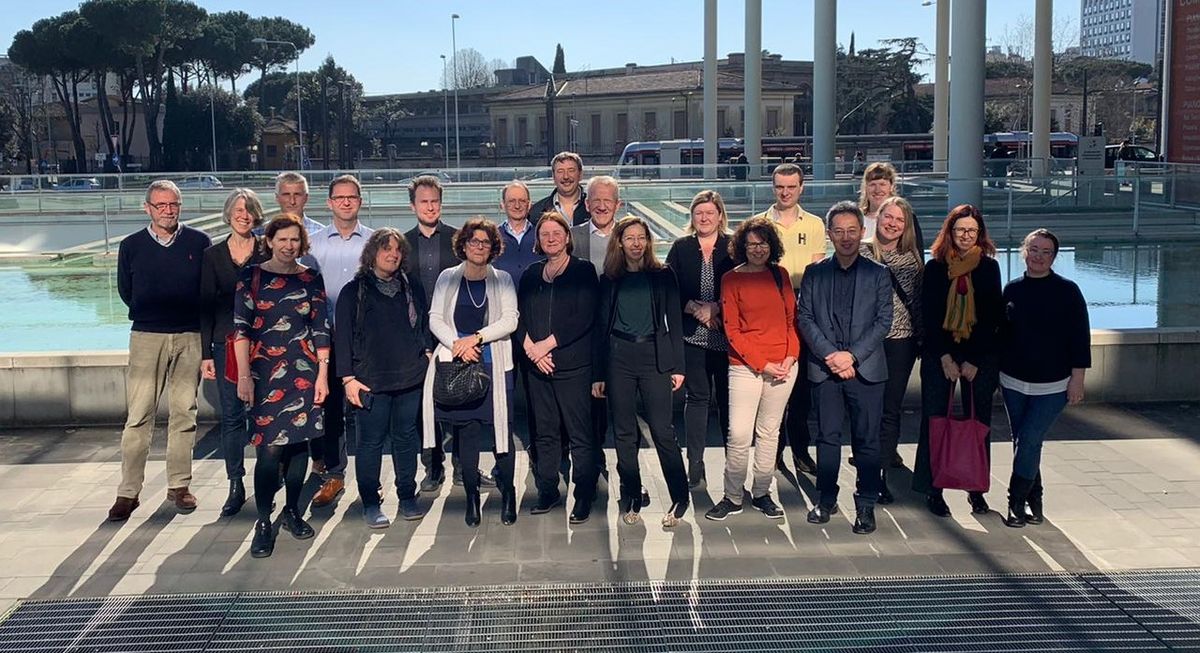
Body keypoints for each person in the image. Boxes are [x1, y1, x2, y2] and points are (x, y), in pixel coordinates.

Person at [108, 180, 212, 522]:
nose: (168, 211)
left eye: (173, 204)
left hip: (189, 336)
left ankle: (179, 486)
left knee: (184, 413)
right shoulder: (131, 246)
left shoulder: (199, 242)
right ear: (147, 208)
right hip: (147, 336)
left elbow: (206, 290)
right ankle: (128, 492)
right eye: (160, 205)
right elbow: (126, 290)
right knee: (139, 416)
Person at [233, 214, 331, 558]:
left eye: (294, 239)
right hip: (264, 374)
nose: (289, 246)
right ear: (270, 241)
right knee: (270, 450)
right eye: (282, 239)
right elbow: (241, 329)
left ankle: (291, 510)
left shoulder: (310, 278)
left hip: (304, 372)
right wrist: (244, 376)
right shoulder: (251, 276)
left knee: (299, 446)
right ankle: (263, 521)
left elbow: (320, 329)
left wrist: (322, 374)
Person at [797, 201, 893, 535]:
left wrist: (851, 356)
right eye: (839, 231)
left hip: (865, 370)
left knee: (867, 441)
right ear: (829, 234)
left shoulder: (878, 273)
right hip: (825, 370)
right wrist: (831, 356)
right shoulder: (815, 272)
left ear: (862, 232)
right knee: (827, 438)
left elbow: (883, 321)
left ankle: (866, 504)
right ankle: (826, 498)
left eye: (852, 230)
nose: (846, 237)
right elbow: (805, 318)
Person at [423, 218, 520, 528]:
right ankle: (472, 498)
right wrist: (458, 345)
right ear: (463, 245)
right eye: (473, 241)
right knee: (467, 434)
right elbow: (435, 318)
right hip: (458, 364)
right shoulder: (447, 277)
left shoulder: (502, 279)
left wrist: (475, 339)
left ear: (493, 248)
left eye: (485, 242)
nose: (479, 247)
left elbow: (510, 320)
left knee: (502, 433)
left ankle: (508, 493)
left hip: (495, 363)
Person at [594, 216, 688, 527]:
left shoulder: (663, 274)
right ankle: (632, 493)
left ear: (648, 242)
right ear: (619, 243)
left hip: (654, 357)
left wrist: (678, 366)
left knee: (663, 431)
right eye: (630, 238)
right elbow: (600, 328)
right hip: (618, 358)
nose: (636, 243)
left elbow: (675, 321)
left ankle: (680, 495)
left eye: (641, 237)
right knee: (623, 432)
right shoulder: (609, 279)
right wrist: (598, 373)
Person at [335, 228, 432, 528]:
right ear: (372, 254)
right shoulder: (353, 291)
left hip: (410, 378)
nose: (393, 254)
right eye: (386, 249)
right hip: (369, 382)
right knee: (370, 443)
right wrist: (347, 379)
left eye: (397, 250)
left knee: (406, 439)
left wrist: (427, 353)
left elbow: (424, 324)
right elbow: (343, 338)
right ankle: (370, 503)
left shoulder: (411, 286)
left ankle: (407, 497)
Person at [913, 204, 1003, 518]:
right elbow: (929, 315)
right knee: (934, 420)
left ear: (980, 235)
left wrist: (974, 360)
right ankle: (932, 488)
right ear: (949, 232)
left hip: (980, 356)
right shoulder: (935, 268)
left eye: (972, 231)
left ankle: (976, 488)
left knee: (979, 422)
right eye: (960, 230)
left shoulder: (989, 268)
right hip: (941, 354)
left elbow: (993, 317)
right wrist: (945, 357)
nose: (965, 236)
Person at [705, 217, 798, 521]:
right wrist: (763, 364)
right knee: (739, 434)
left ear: (772, 246)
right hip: (745, 367)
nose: (758, 249)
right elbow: (732, 330)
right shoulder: (731, 279)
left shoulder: (780, 275)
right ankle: (732, 496)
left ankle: (762, 493)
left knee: (769, 432)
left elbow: (791, 322)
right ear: (742, 247)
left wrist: (790, 358)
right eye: (752, 244)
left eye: (763, 243)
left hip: (783, 367)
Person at [404, 175, 493, 491]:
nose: (430, 207)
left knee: (461, 399)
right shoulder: (402, 244)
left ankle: (463, 467)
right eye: (423, 202)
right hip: (416, 337)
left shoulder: (458, 241)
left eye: (434, 202)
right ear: (413, 205)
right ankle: (432, 467)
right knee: (423, 406)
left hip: (457, 336)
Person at [999, 229, 1090, 527]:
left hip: (1053, 385)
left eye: (1046, 252)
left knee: (1028, 439)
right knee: (1024, 441)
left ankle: (1015, 501)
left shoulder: (1068, 291)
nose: (1038, 256)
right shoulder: (1012, 289)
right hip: (1013, 381)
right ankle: (1034, 499)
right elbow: (1002, 334)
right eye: (1034, 249)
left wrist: (1078, 378)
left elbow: (1080, 338)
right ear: (1024, 252)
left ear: (1054, 257)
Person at [516, 211, 600, 523]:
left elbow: (584, 316)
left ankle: (584, 495)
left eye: (556, 233)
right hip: (537, 368)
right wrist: (532, 350)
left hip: (573, 367)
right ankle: (548, 489)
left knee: (580, 436)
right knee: (545, 433)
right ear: (538, 240)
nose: (550, 238)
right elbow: (518, 316)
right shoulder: (531, 274)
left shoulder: (583, 271)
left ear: (567, 237)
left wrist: (546, 346)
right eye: (544, 234)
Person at [199, 188, 271, 517]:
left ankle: (267, 481)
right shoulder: (212, 255)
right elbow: (205, 307)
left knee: (264, 414)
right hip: (224, 344)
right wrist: (206, 354)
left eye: (249, 210)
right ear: (229, 214)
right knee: (232, 416)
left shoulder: (266, 250)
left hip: (263, 343)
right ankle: (235, 483)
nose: (244, 215)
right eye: (238, 210)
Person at [753, 162, 826, 476]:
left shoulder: (815, 224)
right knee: (772, 386)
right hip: (769, 312)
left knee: (801, 390)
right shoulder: (759, 224)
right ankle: (773, 451)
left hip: (803, 311)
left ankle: (800, 450)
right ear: (773, 188)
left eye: (791, 187)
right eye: (780, 187)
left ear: (801, 188)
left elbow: (817, 273)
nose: (785, 193)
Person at [307, 175, 374, 509]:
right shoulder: (313, 245)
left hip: (367, 340)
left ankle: (370, 479)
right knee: (332, 411)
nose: (346, 202)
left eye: (352, 197)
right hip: (328, 339)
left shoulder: (374, 242)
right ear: (329, 202)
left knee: (366, 411)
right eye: (340, 197)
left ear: (360, 201)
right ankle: (334, 474)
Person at [666, 190, 734, 489]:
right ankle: (695, 463)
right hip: (692, 337)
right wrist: (697, 309)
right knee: (697, 399)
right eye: (698, 213)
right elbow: (669, 287)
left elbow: (742, 286)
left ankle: (734, 466)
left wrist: (717, 308)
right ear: (692, 217)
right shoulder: (681, 247)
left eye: (709, 213)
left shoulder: (733, 246)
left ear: (720, 216)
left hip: (727, 338)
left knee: (730, 403)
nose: (704, 218)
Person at [858, 196, 924, 504]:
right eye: (888, 217)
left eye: (899, 220)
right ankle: (865, 471)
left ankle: (880, 474)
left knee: (890, 409)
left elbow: (919, 304)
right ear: (878, 217)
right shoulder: (860, 252)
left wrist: (922, 341)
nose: (893, 224)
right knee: (865, 410)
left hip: (901, 342)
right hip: (866, 343)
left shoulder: (912, 261)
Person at [857, 162, 923, 252]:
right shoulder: (855, 218)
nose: (877, 190)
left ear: (891, 187)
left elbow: (917, 252)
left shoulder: (906, 216)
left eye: (882, 184)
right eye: (872, 184)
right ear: (865, 188)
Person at [493, 180, 539, 289]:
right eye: (511, 201)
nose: (517, 206)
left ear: (529, 205)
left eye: (522, 201)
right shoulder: (492, 237)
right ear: (502, 205)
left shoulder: (541, 236)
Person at [530, 151, 590, 226]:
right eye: (560, 171)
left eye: (571, 170)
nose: (566, 176)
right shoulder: (537, 212)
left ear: (580, 174)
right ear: (553, 176)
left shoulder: (594, 207)